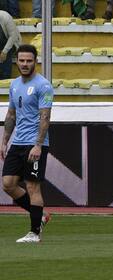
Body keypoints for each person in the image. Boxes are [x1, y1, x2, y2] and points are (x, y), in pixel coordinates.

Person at [1, 44, 54, 243]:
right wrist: (5, 141)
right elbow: (11, 114)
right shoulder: (14, 84)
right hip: (17, 143)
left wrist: (38, 145)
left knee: (33, 188)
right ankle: (40, 215)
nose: (25, 64)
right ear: (16, 62)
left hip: (35, 144)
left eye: (29, 61)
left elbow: (45, 117)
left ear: (35, 62)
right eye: (21, 60)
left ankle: (35, 233)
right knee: (8, 184)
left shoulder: (43, 85)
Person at [0, 10, 21, 80]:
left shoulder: (5, 16)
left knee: (4, 60)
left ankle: (4, 79)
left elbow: (13, 36)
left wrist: (4, 51)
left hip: (11, 43)